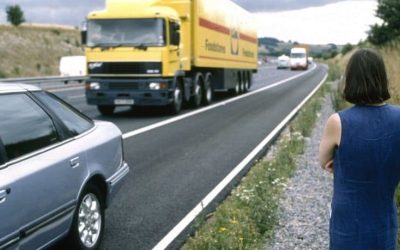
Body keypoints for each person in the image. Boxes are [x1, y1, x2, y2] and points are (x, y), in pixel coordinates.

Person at [319, 48, 400, 250]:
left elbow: (324, 161)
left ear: (351, 80)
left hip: (348, 223)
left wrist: (341, 163)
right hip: (384, 220)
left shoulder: (337, 122)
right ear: (382, 78)